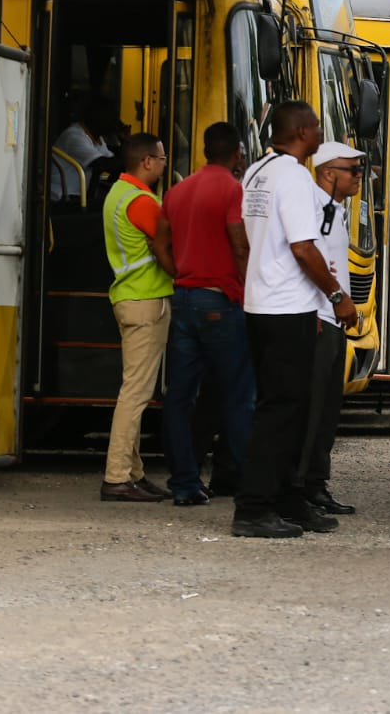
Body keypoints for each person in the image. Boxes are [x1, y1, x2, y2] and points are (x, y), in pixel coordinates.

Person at [231, 101, 356, 539]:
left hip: (263, 303)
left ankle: (288, 501)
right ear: (303, 131)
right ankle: (254, 508)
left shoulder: (257, 172)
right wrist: (336, 296)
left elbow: (248, 241)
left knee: (284, 408)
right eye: (318, 126)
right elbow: (304, 247)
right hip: (286, 309)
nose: (321, 132)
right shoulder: (294, 177)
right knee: (282, 413)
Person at [160, 122, 255, 508]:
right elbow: (239, 244)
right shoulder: (233, 190)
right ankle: (251, 485)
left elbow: (160, 243)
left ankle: (184, 483)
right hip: (221, 299)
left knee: (179, 397)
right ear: (235, 154)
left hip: (183, 297)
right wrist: (250, 290)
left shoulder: (177, 190)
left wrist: (180, 273)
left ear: (204, 151)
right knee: (238, 395)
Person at [99, 132, 176, 502]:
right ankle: (117, 476)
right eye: (161, 159)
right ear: (147, 161)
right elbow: (171, 242)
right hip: (147, 300)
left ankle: (133, 472)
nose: (163, 165)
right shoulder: (143, 202)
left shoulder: (117, 194)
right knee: (135, 394)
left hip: (128, 297)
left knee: (132, 389)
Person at [299, 141, 367, 517]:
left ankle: (316, 483)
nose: (359, 177)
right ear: (328, 172)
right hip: (318, 316)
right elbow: (305, 258)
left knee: (327, 411)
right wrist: (325, 302)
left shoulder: (334, 209)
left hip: (333, 317)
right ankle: (300, 487)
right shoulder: (311, 204)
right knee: (310, 411)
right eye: (352, 171)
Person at [50, 94, 118, 202]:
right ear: (96, 117)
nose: (112, 122)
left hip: (77, 196)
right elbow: (101, 164)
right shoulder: (74, 136)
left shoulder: (97, 139)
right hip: (61, 197)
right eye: (109, 117)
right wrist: (132, 153)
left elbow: (111, 161)